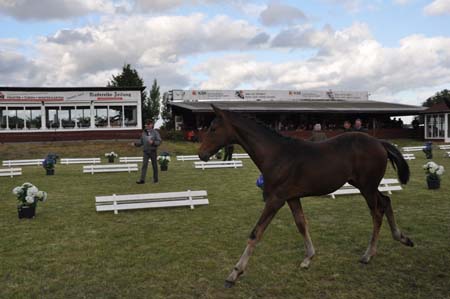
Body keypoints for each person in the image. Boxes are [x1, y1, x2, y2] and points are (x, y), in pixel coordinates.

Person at [133, 119, 162, 184]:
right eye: (146, 124)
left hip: (153, 151)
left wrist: (153, 142)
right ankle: (142, 180)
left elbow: (159, 141)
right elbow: (141, 142)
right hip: (145, 151)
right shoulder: (143, 133)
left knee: (154, 166)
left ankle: (156, 180)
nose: (146, 125)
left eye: (148, 124)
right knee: (144, 165)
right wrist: (135, 144)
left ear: (151, 125)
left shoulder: (155, 132)